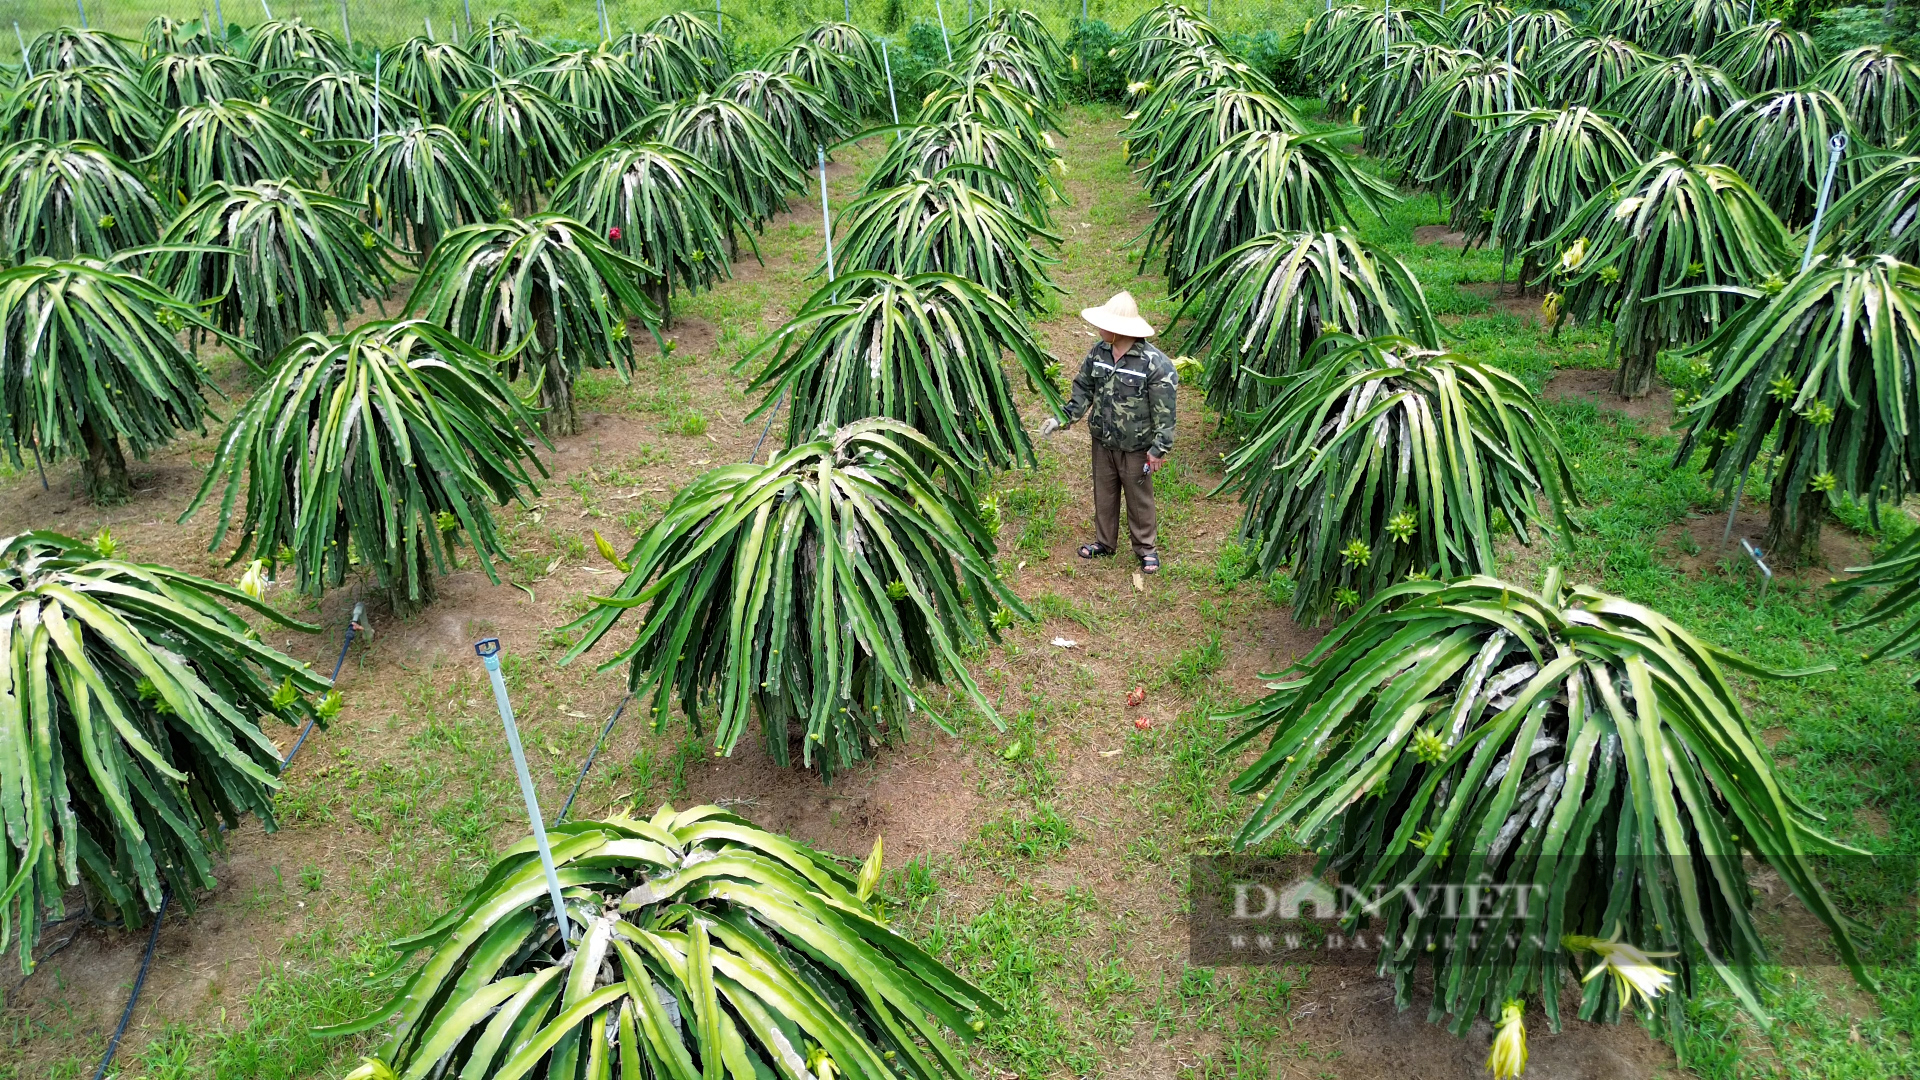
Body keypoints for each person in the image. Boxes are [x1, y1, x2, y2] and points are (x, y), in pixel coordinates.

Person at [1037, 291, 1178, 574]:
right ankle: (1105, 542)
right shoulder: (1098, 353)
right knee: (1105, 492)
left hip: (1137, 446)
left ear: (1119, 329)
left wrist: (1159, 449)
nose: (1098, 329)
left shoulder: (1154, 364)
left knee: (1139, 496)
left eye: (1104, 325)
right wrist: (1061, 419)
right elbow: (1083, 391)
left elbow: (1165, 411)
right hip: (1103, 440)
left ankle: (1145, 548)